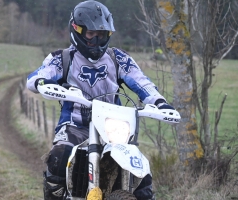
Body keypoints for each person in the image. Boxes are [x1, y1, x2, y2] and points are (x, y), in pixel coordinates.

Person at [27, 1, 174, 199]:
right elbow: (37, 77)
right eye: (91, 34)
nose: (96, 39)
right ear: (77, 30)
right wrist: (42, 82)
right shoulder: (62, 58)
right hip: (75, 126)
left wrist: (158, 101)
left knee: (142, 173)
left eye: (101, 35)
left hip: (114, 129)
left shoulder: (117, 58)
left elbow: (142, 82)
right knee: (59, 156)